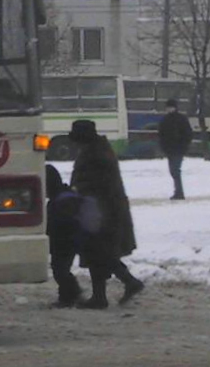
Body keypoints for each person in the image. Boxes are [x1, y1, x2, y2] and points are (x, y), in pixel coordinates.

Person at [68, 119, 144, 309]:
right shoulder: (98, 150)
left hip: (101, 211)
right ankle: (104, 293)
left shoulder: (94, 155)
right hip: (105, 209)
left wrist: (74, 192)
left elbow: (91, 184)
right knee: (100, 252)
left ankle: (119, 286)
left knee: (99, 252)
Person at [44, 164, 84, 308]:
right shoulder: (66, 196)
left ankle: (69, 296)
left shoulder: (59, 202)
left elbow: (59, 223)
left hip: (63, 241)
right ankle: (71, 294)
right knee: (62, 269)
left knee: (60, 270)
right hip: (70, 240)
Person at [158, 98, 195, 200]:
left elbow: (188, 134)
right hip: (171, 149)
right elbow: (161, 135)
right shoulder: (166, 120)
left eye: (171, 107)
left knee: (175, 170)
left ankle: (179, 192)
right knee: (173, 170)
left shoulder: (180, 119)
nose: (169, 109)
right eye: (168, 107)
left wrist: (184, 145)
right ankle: (178, 191)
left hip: (178, 149)